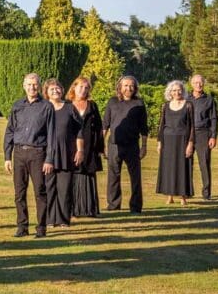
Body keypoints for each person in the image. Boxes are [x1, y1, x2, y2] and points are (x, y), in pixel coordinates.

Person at [3, 73, 56, 238]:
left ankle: (41, 228)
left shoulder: (47, 106)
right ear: (23, 86)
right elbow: (10, 131)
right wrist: (7, 156)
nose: (32, 87)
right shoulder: (17, 105)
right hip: (19, 153)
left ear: (39, 86)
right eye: (29, 84)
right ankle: (22, 226)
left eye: (35, 84)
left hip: (38, 153)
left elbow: (51, 134)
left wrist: (49, 159)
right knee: (19, 193)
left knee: (40, 192)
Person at [103, 75, 149, 212]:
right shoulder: (112, 102)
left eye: (131, 86)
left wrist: (144, 146)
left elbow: (144, 127)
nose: (128, 88)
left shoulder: (139, 103)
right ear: (120, 87)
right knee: (113, 176)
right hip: (114, 145)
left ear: (135, 88)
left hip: (132, 145)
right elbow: (105, 124)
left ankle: (135, 207)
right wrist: (101, 144)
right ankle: (113, 205)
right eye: (125, 85)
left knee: (135, 177)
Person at [43, 79, 83, 228]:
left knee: (64, 189)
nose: (55, 91)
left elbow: (79, 129)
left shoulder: (69, 107)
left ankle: (63, 219)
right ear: (46, 92)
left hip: (66, 153)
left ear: (62, 89)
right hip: (47, 155)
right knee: (49, 188)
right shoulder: (43, 108)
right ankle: (49, 219)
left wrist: (80, 150)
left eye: (58, 88)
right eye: (52, 89)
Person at [68, 77, 105, 218]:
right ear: (74, 87)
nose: (83, 90)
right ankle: (73, 209)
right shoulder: (67, 104)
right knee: (73, 175)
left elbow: (99, 127)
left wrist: (100, 148)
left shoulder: (92, 105)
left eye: (86, 88)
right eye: (81, 87)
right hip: (71, 144)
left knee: (88, 175)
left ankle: (90, 209)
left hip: (90, 145)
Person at [156, 80, 195, 205]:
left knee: (183, 168)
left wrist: (190, 143)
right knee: (168, 168)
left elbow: (193, 126)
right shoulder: (165, 106)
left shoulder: (188, 105)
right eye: (174, 90)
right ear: (170, 92)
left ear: (182, 91)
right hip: (167, 141)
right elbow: (161, 125)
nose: (177, 92)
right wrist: (159, 142)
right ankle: (169, 196)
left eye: (179, 90)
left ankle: (183, 197)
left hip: (183, 140)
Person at [190, 74, 218, 200]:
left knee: (204, 164)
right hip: (188, 134)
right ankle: (187, 192)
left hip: (204, 134)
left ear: (204, 84)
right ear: (191, 84)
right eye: (196, 82)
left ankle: (206, 194)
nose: (198, 85)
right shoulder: (186, 98)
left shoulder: (209, 99)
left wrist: (213, 136)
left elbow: (213, 119)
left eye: (200, 82)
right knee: (187, 163)